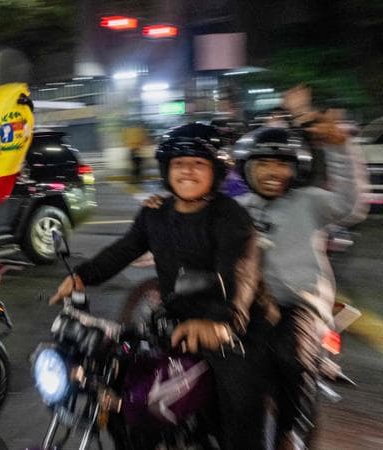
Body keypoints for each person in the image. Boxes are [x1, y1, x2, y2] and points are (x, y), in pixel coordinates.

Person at [50, 123, 275, 449]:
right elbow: (124, 249)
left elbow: (241, 275)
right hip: (178, 321)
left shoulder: (231, 217)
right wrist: (81, 276)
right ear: (166, 168)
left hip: (235, 330)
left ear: (215, 171)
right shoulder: (156, 214)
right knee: (129, 390)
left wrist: (225, 324)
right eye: (179, 163)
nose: (187, 171)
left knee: (238, 418)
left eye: (198, 163)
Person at [230, 85, 367, 449]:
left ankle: (288, 430)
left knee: (289, 357)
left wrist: (340, 147)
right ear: (248, 167)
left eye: (282, 164)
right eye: (264, 163)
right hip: (250, 303)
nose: (274, 172)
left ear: (296, 168)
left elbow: (350, 204)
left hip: (299, 305)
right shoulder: (238, 208)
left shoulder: (308, 202)